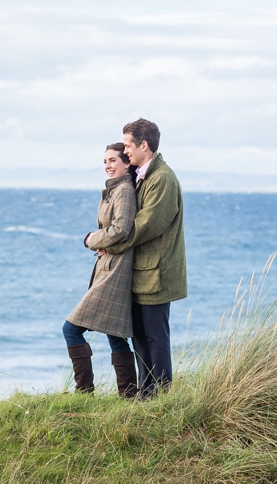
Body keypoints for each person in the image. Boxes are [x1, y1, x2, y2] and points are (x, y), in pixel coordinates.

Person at [101, 118, 187, 396]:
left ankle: (161, 392)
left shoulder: (162, 178)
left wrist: (109, 244)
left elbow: (146, 224)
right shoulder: (143, 175)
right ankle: (146, 389)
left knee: (155, 336)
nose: (125, 151)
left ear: (144, 145)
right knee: (139, 335)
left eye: (128, 145)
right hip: (142, 271)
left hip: (157, 273)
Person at [63, 143, 138, 397]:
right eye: (104, 161)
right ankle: (128, 394)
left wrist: (91, 239)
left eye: (113, 160)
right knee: (115, 333)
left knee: (71, 329)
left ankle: (84, 392)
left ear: (126, 163)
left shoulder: (124, 191)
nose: (107, 165)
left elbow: (121, 229)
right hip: (107, 266)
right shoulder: (113, 190)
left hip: (115, 270)